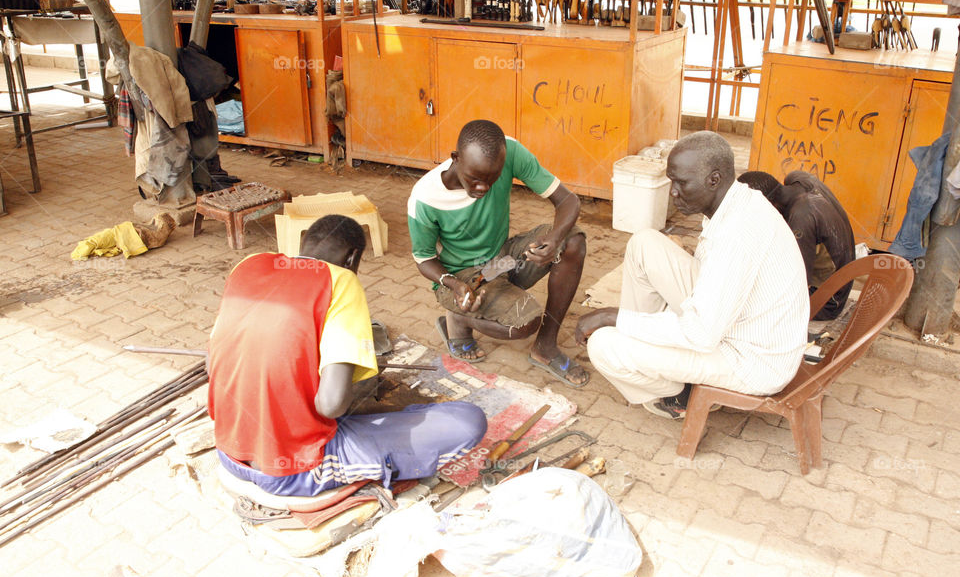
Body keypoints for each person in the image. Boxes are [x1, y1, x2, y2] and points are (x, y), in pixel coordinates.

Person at [208, 215, 487, 496]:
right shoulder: (340, 281)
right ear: (353, 258)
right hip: (293, 468)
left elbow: (213, 365)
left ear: (303, 242)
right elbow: (331, 406)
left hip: (229, 450)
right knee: (466, 421)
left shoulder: (249, 265)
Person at [575, 132, 809, 419]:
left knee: (603, 345)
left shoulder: (736, 236)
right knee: (644, 243)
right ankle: (647, 350)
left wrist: (613, 317)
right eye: (672, 180)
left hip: (752, 361)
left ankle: (677, 392)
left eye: (681, 183)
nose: (673, 191)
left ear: (714, 179)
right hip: (736, 324)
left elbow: (701, 334)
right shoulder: (736, 201)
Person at [407, 119, 589, 388]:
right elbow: (423, 259)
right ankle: (458, 316)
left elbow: (568, 200)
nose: (484, 188)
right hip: (463, 276)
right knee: (524, 324)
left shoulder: (509, 151)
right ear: (455, 158)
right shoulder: (425, 198)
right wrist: (455, 284)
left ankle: (546, 347)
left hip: (502, 259)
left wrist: (553, 240)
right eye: (475, 180)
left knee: (572, 240)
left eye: (492, 179)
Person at [737, 169, 855, 321]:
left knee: (744, 302)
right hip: (840, 282)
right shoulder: (799, 178)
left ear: (769, 204)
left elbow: (796, 283)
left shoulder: (801, 218)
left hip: (827, 302)